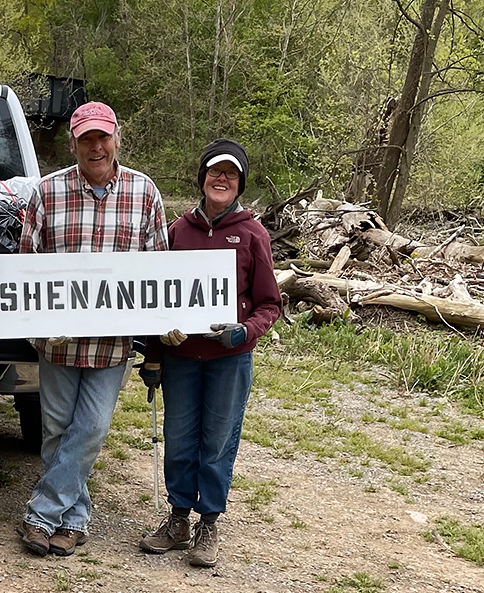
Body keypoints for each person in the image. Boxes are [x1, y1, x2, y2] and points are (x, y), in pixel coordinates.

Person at [16, 101, 168, 557]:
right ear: (73, 144)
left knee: (92, 428)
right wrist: (39, 322)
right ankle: (74, 519)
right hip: (57, 341)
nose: (96, 146)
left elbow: (159, 270)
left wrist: (161, 330)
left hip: (111, 343)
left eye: (103, 137)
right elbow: (26, 266)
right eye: (86, 139)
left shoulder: (145, 193)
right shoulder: (47, 191)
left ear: (117, 139)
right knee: (57, 428)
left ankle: (41, 513)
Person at [137, 138, 281, 567]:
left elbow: (270, 304)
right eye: (215, 172)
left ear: (240, 184)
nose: (222, 179)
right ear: (202, 179)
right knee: (179, 439)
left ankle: (209, 523)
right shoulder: (176, 233)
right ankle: (178, 518)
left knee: (217, 442)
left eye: (231, 174)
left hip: (229, 360)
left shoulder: (253, 234)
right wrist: (155, 351)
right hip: (182, 358)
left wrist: (245, 331)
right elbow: (154, 296)